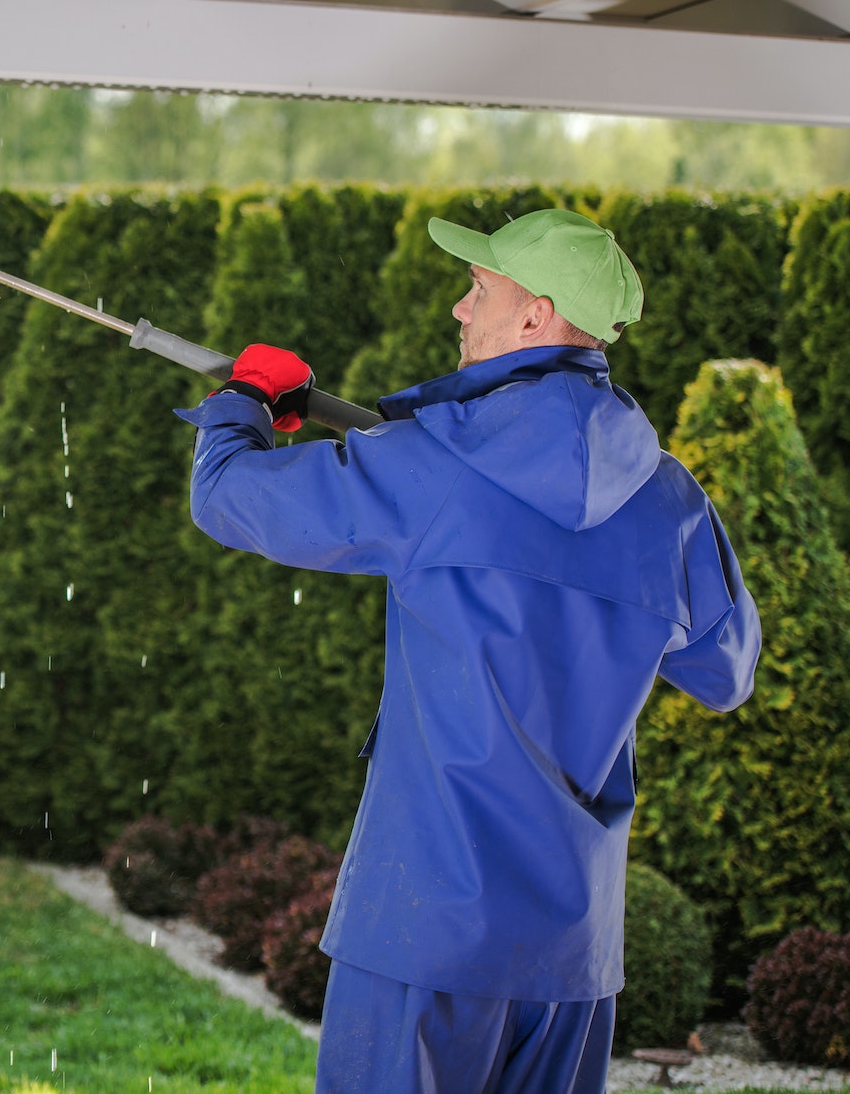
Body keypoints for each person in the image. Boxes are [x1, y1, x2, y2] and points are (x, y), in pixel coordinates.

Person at [176, 209, 761, 1094]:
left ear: (536, 317)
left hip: (425, 927)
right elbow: (725, 673)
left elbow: (226, 494)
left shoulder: (429, 466)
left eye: (479, 288)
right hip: (571, 955)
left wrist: (243, 402)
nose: (458, 306)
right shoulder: (672, 501)